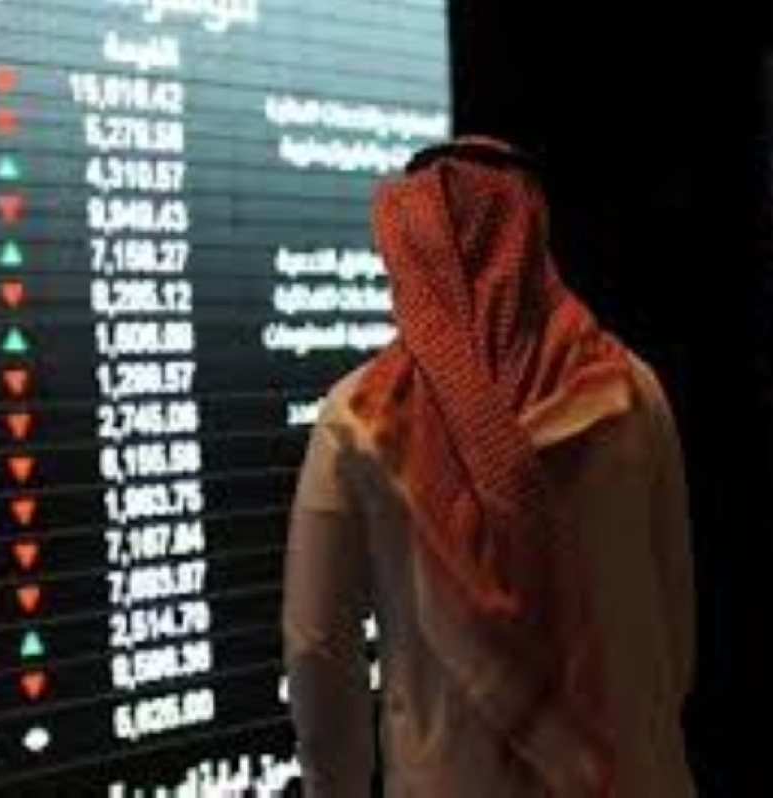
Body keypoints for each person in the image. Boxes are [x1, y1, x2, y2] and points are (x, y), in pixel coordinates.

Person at [283, 137, 695, 797]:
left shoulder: (356, 421)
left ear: (406, 248)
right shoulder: (631, 391)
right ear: (532, 234)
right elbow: (673, 631)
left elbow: (316, 651)